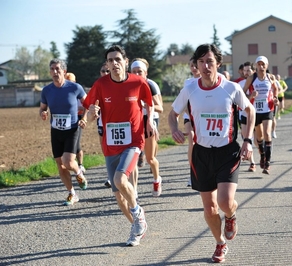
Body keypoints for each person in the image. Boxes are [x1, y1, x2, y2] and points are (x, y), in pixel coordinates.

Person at [168, 44, 255, 263]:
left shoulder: (230, 88)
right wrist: (174, 129)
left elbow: (249, 110)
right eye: (201, 62)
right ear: (196, 65)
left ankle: (231, 215)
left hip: (227, 152)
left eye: (210, 61)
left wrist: (247, 140)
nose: (206, 66)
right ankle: (220, 243)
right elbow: (172, 113)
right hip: (202, 154)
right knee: (210, 207)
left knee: (225, 202)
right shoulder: (190, 89)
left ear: (218, 63)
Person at [84, 45, 157, 246]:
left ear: (125, 62)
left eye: (118, 59)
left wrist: (149, 120)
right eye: (110, 60)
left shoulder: (138, 82)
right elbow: (90, 112)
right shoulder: (100, 85)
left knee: (119, 179)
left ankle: (138, 213)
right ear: (106, 64)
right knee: (119, 197)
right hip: (110, 144)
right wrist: (92, 115)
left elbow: (149, 102)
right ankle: (137, 226)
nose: (114, 63)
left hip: (133, 140)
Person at [39, 59, 88, 206]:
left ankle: (79, 172)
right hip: (56, 130)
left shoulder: (75, 87)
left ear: (64, 71)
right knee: (60, 166)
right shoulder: (46, 90)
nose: (55, 72)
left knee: (68, 162)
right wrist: (43, 113)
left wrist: (84, 118)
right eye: (52, 69)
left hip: (72, 128)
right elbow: (42, 108)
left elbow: (88, 104)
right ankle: (72, 193)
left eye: (58, 69)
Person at [131, 58, 163, 197]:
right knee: (132, 157)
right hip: (133, 122)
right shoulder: (127, 85)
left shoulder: (151, 85)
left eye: (140, 72)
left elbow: (160, 108)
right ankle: (134, 190)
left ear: (146, 73)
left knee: (150, 158)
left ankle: (156, 179)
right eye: (134, 72)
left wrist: (144, 105)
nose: (137, 74)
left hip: (149, 120)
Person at [243, 56, 279, 174]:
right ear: (256, 66)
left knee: (268, 133)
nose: (261, 66)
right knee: (259, 137)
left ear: (267, 66)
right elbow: (242, 94)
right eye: (258, 64)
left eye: (263, 64)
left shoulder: (270, 77)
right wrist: (251, 96)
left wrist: (275, 98)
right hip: (255, 111)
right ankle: (262, 155)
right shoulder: (251, 78)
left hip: (268, 109)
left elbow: (275, 88)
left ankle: (267, 163)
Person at [183, 58, 201, 186]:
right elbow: (184, 102)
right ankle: (192, 173)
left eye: (196, 65)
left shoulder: (206, 81)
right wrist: (191, 115)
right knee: (192, 142)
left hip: (203, 117)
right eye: (191, 66)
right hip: (189, 116)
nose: (194, 68)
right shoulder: (188, 82)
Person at [236, 61, 257, 172]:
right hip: (244, 113)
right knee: (246, 137)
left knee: (258, 140)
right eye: (245, 70)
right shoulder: (240, 84)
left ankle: (263, 155)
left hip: (259, 113)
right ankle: (252, 162)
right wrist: (251, 95)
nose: (246, 72)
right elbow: (242, 101)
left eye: (249, 70)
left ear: (253, 71)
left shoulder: (258, 82)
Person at [65, 72, 87, 174]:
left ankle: (80, 165)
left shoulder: (78, 91)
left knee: (76, 145)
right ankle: (68, 164)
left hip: (78, 119)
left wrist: (82, 116)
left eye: (71, 82)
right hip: (66, 120)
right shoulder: (63, 93)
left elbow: (86, 105)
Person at [97, 63, 112, 188]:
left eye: (107, 71)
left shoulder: (118, 84)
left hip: (118, 124)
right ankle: (110, 176)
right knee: (106, 150)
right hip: (102, 123)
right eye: (103, 71)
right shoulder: (98, 86)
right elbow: (90, 105)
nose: (105, 73)